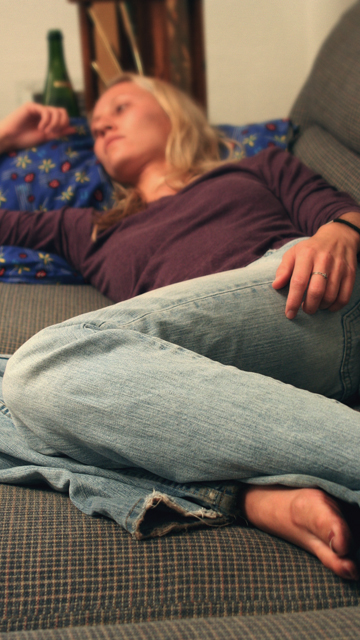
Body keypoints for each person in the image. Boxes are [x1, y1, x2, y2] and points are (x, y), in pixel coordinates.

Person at [1, 74, 360, 581]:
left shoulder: (255, 167)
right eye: (97, 127)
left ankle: (248, 489)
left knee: (40, 366)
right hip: (187, 379)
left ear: (172, 111)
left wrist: (341, 230)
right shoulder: (89, 229)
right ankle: (247, 495)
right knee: (19, 390)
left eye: (119, 108)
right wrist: (7, 137)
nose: (103, 126)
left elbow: (335, 214)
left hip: (301, 298)